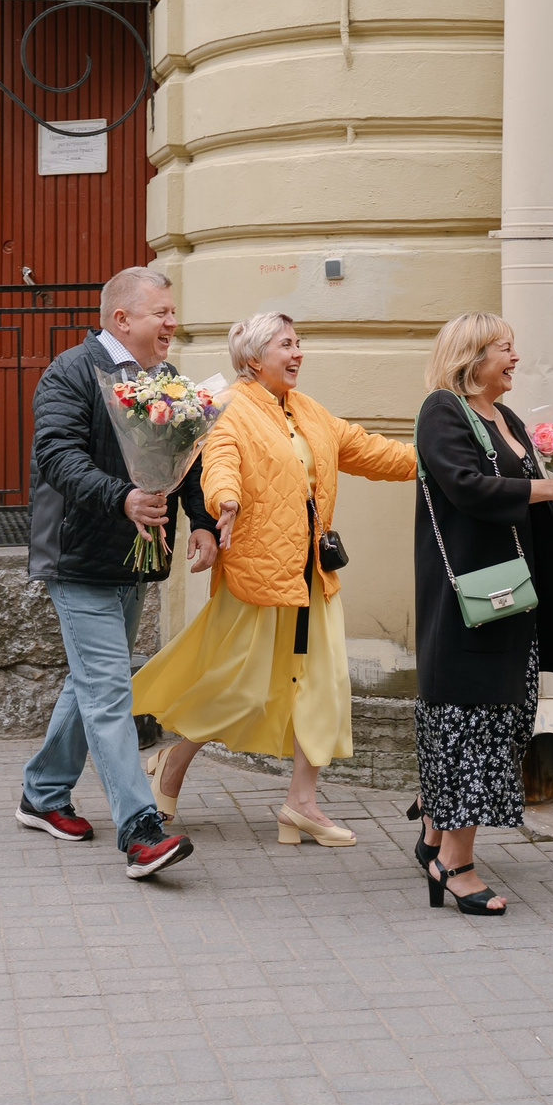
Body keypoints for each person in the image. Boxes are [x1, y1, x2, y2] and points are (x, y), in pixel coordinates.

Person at [135, 311, 417, 845]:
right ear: (253, 359)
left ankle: (301, 804)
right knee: (237, 687)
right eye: (286, 345)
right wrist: (226, 502)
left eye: (298, 343)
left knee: (324, 687)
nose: (298, 353)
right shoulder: (231, 411)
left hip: (314, 576)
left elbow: (371, 451)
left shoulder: (309, 412)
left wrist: (439, 459)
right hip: (258, 574)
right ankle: (172, 762)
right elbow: (217, 462)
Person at [408, 313, 553, 915]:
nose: (515, 357)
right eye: (505, 347)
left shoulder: (509, 420)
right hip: (471, 599)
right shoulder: (442, 410)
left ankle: (436, 840)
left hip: (514, 600)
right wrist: (550, 491)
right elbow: (467, 486)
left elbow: (535, 509)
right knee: (469, 723)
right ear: (472, 356)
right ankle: (455, 866)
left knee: (496, 723)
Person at [16, 266, 217, 880]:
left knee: (90, 682)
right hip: (77, 556)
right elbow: (55, 455)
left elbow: (188, 456)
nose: (172, 322)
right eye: (162, 312)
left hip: (134, 557)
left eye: (173, 311)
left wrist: (203, 519)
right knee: (109, 690)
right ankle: (140, 830)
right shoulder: (70, 373)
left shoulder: (165, 380)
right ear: (121, 319)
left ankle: (43, 793)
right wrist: (121, 497)